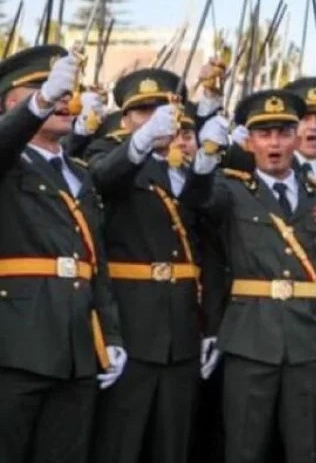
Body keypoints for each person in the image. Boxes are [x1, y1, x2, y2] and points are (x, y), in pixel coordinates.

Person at [184, 89, 316, 463]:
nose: (275, 143)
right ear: (249, 142)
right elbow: (196, 201)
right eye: (264, 134)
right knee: (244, 448)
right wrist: (205, 160)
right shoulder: (230, 190)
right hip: (250, 338)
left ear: (297, 138)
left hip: (307, 340)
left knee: (307, 448)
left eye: (283, 133)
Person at [0, 45, 125, 463]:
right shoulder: (9, 161)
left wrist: (111, 335)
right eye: (42, 87)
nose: (63, 97)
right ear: (11, 105)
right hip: (15, 344)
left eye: (64, 89)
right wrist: (39, 103)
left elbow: (95, 263)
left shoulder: (80, 173)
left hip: (76, 348)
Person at [88, 69, 205, 463]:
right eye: (143, 111)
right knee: (120, 443)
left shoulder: (189, 170)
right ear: (125, 120)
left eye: (162, 109)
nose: (155, 118)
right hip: (131, 326)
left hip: (182, 329)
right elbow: (103, 178)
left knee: (173, 445)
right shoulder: (107, 154)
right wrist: (141, 142)